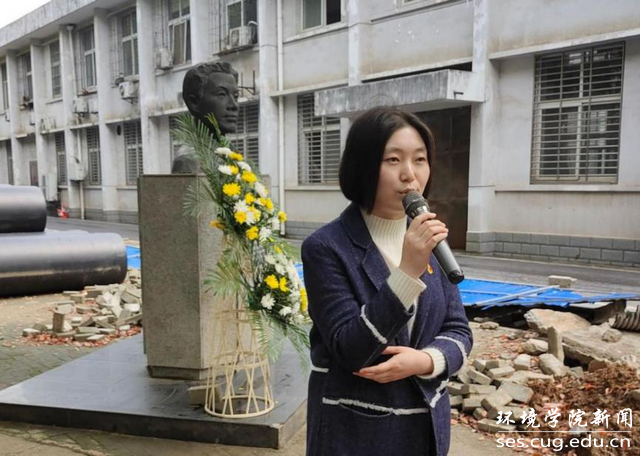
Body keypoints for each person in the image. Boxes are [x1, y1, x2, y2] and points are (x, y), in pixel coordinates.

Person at [301, 107, 473, 456]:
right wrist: (406, 272)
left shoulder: (429, 239)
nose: (410, 174)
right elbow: (350, 349)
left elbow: (458, 329)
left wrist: (426, 361)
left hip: (426, 432)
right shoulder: (326, 248)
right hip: (355, 434)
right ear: (363, 165)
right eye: (393, 160)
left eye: (420, 159)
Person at [172, 61, 240, 174]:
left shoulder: (231, 153)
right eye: (222, 94)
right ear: (194, 102)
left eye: (236, 96)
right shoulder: (189, 159)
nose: (234, 105)